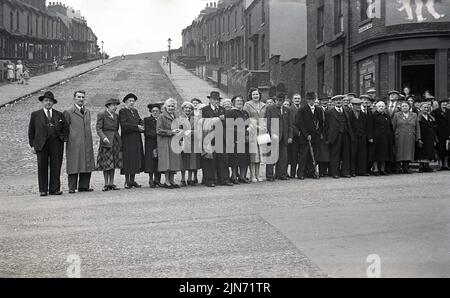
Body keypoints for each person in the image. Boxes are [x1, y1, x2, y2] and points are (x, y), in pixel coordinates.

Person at [28, 91, 68, 197]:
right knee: (42, 166)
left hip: (56, 144)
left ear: (53, 103)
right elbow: (31, 131)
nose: (48, 103)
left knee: (56, 166)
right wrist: (32, 145)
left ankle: (54, 189)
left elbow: (65, 128)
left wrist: (63, 139)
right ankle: (43, 190)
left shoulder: (59, 114)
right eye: (46, 100)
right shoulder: (35, 115)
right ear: (42, 102)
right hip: (41, 144)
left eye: (50, 101)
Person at [64, 90, 96, 193]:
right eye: (79, 97)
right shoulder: (68, 112)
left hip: (87, 142)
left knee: (87, 162)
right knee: (74, 163)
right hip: (74, 143)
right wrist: (70, 138)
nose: (81, 99)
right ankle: (72, 187)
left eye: (82, 97)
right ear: (74, 98)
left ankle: (84, 186)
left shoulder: (87, 112)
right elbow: (65, 128)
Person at [200, 91, 233, 187]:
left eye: (217, 100)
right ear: (210, 100)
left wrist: (224, 119)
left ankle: (224, 179)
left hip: (221, 137)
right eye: (214, 99)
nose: (216, 101)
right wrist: (217, 119)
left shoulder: (223, 109)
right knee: (210, 160)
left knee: (223, 159)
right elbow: (203, 123)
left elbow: (228, 123)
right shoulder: (205, 110)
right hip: (209, 137)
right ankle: (209, 180)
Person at [119, 93, 145, 189]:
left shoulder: (135, 111)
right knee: (128, 159)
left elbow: (139, 120)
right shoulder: (123, 111)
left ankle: (132, 180)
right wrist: (136, 127)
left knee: (135, 158)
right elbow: (124, 125)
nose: (132, 103)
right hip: (127, 138)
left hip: (136, 137)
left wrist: (142, 125)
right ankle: (127, 181)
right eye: (130, 101)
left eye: (133, 101)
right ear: (126, 102)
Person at [96, 98, 122, 191]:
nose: (115, 107)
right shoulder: (102, 114)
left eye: (116, 105)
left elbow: (117, 128)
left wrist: (119, 140)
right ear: (108, 106)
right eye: (113, 105)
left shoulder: (116, 116)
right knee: (106, 162)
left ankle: (111, 183)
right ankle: (106, 183)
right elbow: (98, 128)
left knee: (113, 162)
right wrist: (104, 137)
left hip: (115, 140)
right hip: (106, 141)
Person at [265, 93, 293, 182]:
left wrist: (290, 136)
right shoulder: (269, 109)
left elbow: (290, 124)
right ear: (275, 100)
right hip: (273, 136)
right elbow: (267, 122)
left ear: (283, 100)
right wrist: (272, 134)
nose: (278, 102)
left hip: (284, 137)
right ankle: (269, 175)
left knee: (283, 156)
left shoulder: (287, 110)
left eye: (281, 100)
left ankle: (281, 174)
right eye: (277, 100)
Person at [296, 92, 324, 180]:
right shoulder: (302, 110)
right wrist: (306, 134)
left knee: (314, 155)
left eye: (313, 99)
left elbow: (321, 123)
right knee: (304, 155)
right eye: (309, 99)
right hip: (305, 137)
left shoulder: (319, 110)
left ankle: (311, 172)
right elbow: (299, 123)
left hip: (315, 136)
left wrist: (319, 133)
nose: (311, 101)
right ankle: (301, 173)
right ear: (307, 100)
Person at [325, 95, 354, 179]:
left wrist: (350, 135)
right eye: (336, 100)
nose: (338, 102)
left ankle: (345, 172)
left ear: (342, 101)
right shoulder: (329, 112)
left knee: (346, 154)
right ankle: (335, 172)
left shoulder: (346, 111)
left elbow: (348, 124)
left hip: (345, 135)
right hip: (335, 136)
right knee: (335, 155)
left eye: (340, 100)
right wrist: (328, 137)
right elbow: (326, 126)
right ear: (333, 102)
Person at [157, 98, 183, 189]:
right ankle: (167, 181)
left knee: (174, 162)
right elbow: (159, 130)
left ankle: (172, 180)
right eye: (169, 106)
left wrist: (179, 131)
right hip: (165, 141)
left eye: (172, 106)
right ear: (165, 107)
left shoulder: (176, 116)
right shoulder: (161, 116)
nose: (170, 108)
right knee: (167, 162)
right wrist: (171, 132)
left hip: (174, 141)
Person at [243, 88, 267, 183]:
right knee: (253, 154)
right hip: (252, 130)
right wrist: (256, 126)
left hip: (262, 131)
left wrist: (264, 126)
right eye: (254, 94)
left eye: (257, 94)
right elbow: (246, 118)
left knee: (260, 154)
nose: (256, 96)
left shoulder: (264, 105)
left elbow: (265, 117)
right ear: (251, 96)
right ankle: (252, 175)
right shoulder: (247, 105)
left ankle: (258, 174)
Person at [226, 96, 251, 184]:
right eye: (237, 101)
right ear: (233, 102)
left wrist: (249, 128)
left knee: (245, 158)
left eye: (241, 101)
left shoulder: (245, 113)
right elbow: (229, 127)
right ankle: (233, 176)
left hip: (245, 140)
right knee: (235, 159)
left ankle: (242, 176)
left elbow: (248, 124)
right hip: (235, 139)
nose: (240, 102)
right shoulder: (230, 113)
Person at [391, 102, 420, 174]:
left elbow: (417, 127)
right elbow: (393, 127)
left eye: (406, 106)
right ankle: (398, 168)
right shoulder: (397, 115)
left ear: (409, 107)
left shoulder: (414, 115)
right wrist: (392, 137)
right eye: (403, 106)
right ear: (400, 107)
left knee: (408, 152)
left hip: (410, 136)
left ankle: (406, 168)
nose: (404, 107)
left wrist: (418, 138)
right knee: (399, 152)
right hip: (399, 136)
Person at [369, 101, 394, 176]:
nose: (381, 108)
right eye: (379, 106)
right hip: (376, 138)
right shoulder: (373, 115)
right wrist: (370, 137)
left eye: (382, 106)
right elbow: (370, 127)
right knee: (375, 154)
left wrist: (391, 136)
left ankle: (382, 169)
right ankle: (376, 169)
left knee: (384, 154)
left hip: (385, 138)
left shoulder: (387, 115)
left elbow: (390, 126)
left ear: (385, 107)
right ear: (376, 107)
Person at [349, 98, 373, 177]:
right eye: (356, 105)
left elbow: (368, 127)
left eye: (359, 105)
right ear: (352, 106)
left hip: (362, 137)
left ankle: (362, 171)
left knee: (362, 155)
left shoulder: (364, 115)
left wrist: (368, 137)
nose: (358, 107)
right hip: (353, 138)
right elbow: (348, 127)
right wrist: (351, 136)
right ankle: (353, 171)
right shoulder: (349, 114)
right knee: (353, 155)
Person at [180, 101, 201, 187]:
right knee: (183, 160)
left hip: (193, 142)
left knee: (192, 159)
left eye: (189, 108)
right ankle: (182, 178)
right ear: (183, 109)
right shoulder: (179, 118)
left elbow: (198, 130)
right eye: (186, 108)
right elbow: (177, 129)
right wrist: (184, 133)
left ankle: (190, 178)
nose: (188, 109)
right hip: (183, 141)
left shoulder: (195, 119)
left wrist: (191, 132)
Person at [144, 103, 163, 188]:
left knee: (159, 162)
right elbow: (147, 132)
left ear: (159, 112)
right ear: (151, 112)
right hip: (150, 143)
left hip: (160, 143)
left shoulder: (161, 119)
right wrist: (158, 133)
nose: (155, 113)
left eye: (157, 111)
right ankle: (151, 180)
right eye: (153, 111)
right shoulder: (147, 120)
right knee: (151, 162)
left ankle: (157, 180)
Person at [416, 101, 437, 173]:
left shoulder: (430, 116)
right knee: (422, 152)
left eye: (427, 107)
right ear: (420, 108)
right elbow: (417, 128)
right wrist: (419, 138)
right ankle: (421, 166)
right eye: (424, 107)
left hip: (430, 137)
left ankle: (427, 166)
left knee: (429, 151)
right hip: (422, 136)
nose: (426, 109)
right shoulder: (418, 117)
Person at [432, 99, 450, 170]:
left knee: (447, 149)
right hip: (439, 133)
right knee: (440, 148)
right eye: (443, 103)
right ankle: (440, 165)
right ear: (440, 104)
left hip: (447, 132)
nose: (445, 104)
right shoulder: (436, 112)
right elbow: (434, 123)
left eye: (446, 103)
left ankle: (446, 164)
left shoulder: (449, 111)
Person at [288, 94, 302, 178]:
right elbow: (291, 123)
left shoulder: (302, 108)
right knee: (294, 155)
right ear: (292, 100)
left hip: (303, 134)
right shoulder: (290, 109)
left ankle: (301, 172)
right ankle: (293, 173)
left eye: (298, 98)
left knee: (302, 154)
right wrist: (298, 132)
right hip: (294, 135)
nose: (297, 100)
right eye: (295, 98)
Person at [317, 96, 331, 177]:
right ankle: (322, 171)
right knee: (322, 154)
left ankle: (328, 170)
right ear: (320, 102)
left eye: (326, 100)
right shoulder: (318, 110)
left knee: (329, 153)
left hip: (330, 134)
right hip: (321, 135)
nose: (325, 102)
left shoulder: (331, 109)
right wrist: (320, 133)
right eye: (323, 100)